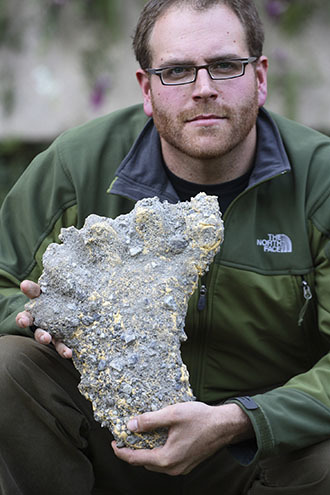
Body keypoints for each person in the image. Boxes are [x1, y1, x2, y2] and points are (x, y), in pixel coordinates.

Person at [0, 0, 330, 493]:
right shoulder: (75, 166)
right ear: (147, 89)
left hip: (258, 453)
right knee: (7, 366)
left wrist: (240, 421)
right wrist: (34, 316)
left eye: (224, 65)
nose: (203, 89)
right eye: (176, 71)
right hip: (109, 434)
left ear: (260, 77)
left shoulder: (319, 181)